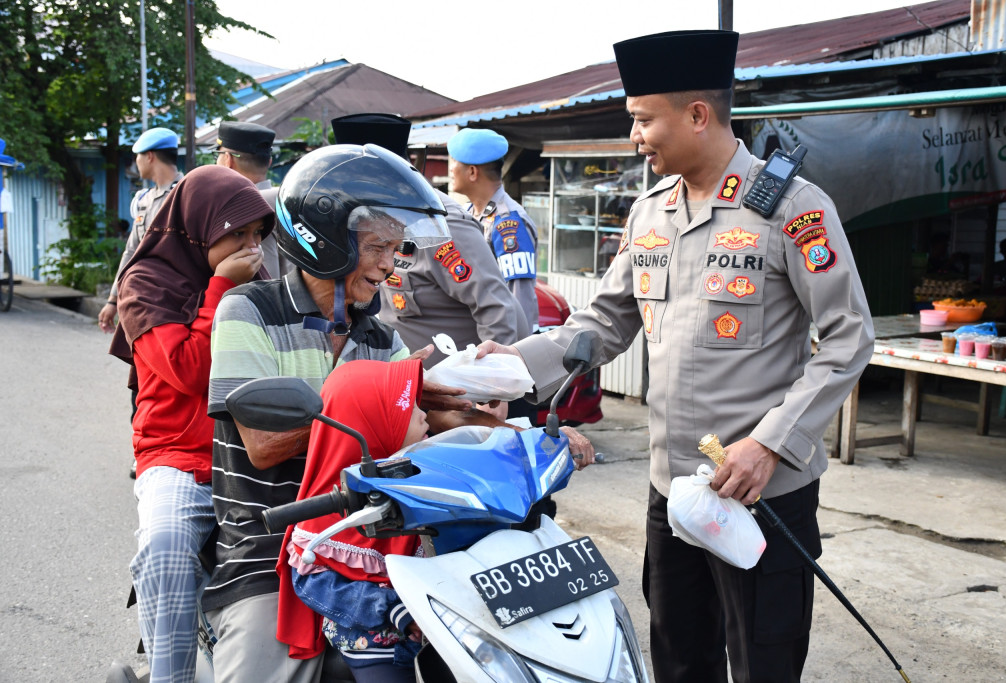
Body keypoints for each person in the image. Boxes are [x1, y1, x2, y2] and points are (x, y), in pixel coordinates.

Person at [477, 30, 874, 683]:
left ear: (696, 114)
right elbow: (603, 321)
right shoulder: (650, 214)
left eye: (642, 119)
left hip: (761, 492)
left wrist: (771, 442)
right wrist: (507, 367)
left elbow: (848, 337)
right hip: (673, 491)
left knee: (763, 666)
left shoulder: (794, 210)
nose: (635, 136)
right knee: (679, 661)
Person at [202, 143, 471, 683]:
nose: (389, 265)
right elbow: (262, 443)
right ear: (326, 243)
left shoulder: (381, 337)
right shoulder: (248, 310)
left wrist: (502, 424)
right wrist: (376, 404)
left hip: (361, 542)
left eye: (397, 250)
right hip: (267, 545)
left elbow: (422, 428)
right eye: (377, 248)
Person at [108, 165, 274, 683]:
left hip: (255, 453)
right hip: (179, 459)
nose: (252, 248)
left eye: (257, 235)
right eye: (237, 235)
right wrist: (222, 288)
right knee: (166, 548)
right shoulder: (145, 286)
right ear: (199, 226)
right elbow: (191, 371)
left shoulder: (259, 284)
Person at [331, 113, 530, 367]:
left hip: (469, 395)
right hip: (415, 388)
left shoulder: (441, 224)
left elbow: (496, 307)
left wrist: (495, 387)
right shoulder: (372, 217)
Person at [277, 358, 428, 682]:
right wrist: (390, 608)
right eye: (409, 408)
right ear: (372, 425)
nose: (424, 414)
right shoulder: (327, 519)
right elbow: (315, 584)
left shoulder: (423, 479)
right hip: (376, 641)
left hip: (439, 627)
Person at [447, 128, 540, 332]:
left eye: (454, 162)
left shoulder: (509, 223)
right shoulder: (468, 214)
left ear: (472, 172)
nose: (451, 169)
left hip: (499, 341)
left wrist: (517, 352)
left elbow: (519, 295)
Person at [99, 127, 184, 334]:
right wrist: (113, 300)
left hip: (181, 303)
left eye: (137, 156)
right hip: (147, 302)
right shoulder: (143, 200)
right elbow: (131, 252)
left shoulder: (186, 193)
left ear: (149, 156)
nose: (135, 161)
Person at [213, 120, 292, 278]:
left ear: (228, 159)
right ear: (269, 162)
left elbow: (265, 280)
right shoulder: (286, 196)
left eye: (218, 155)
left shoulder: (246, 208)